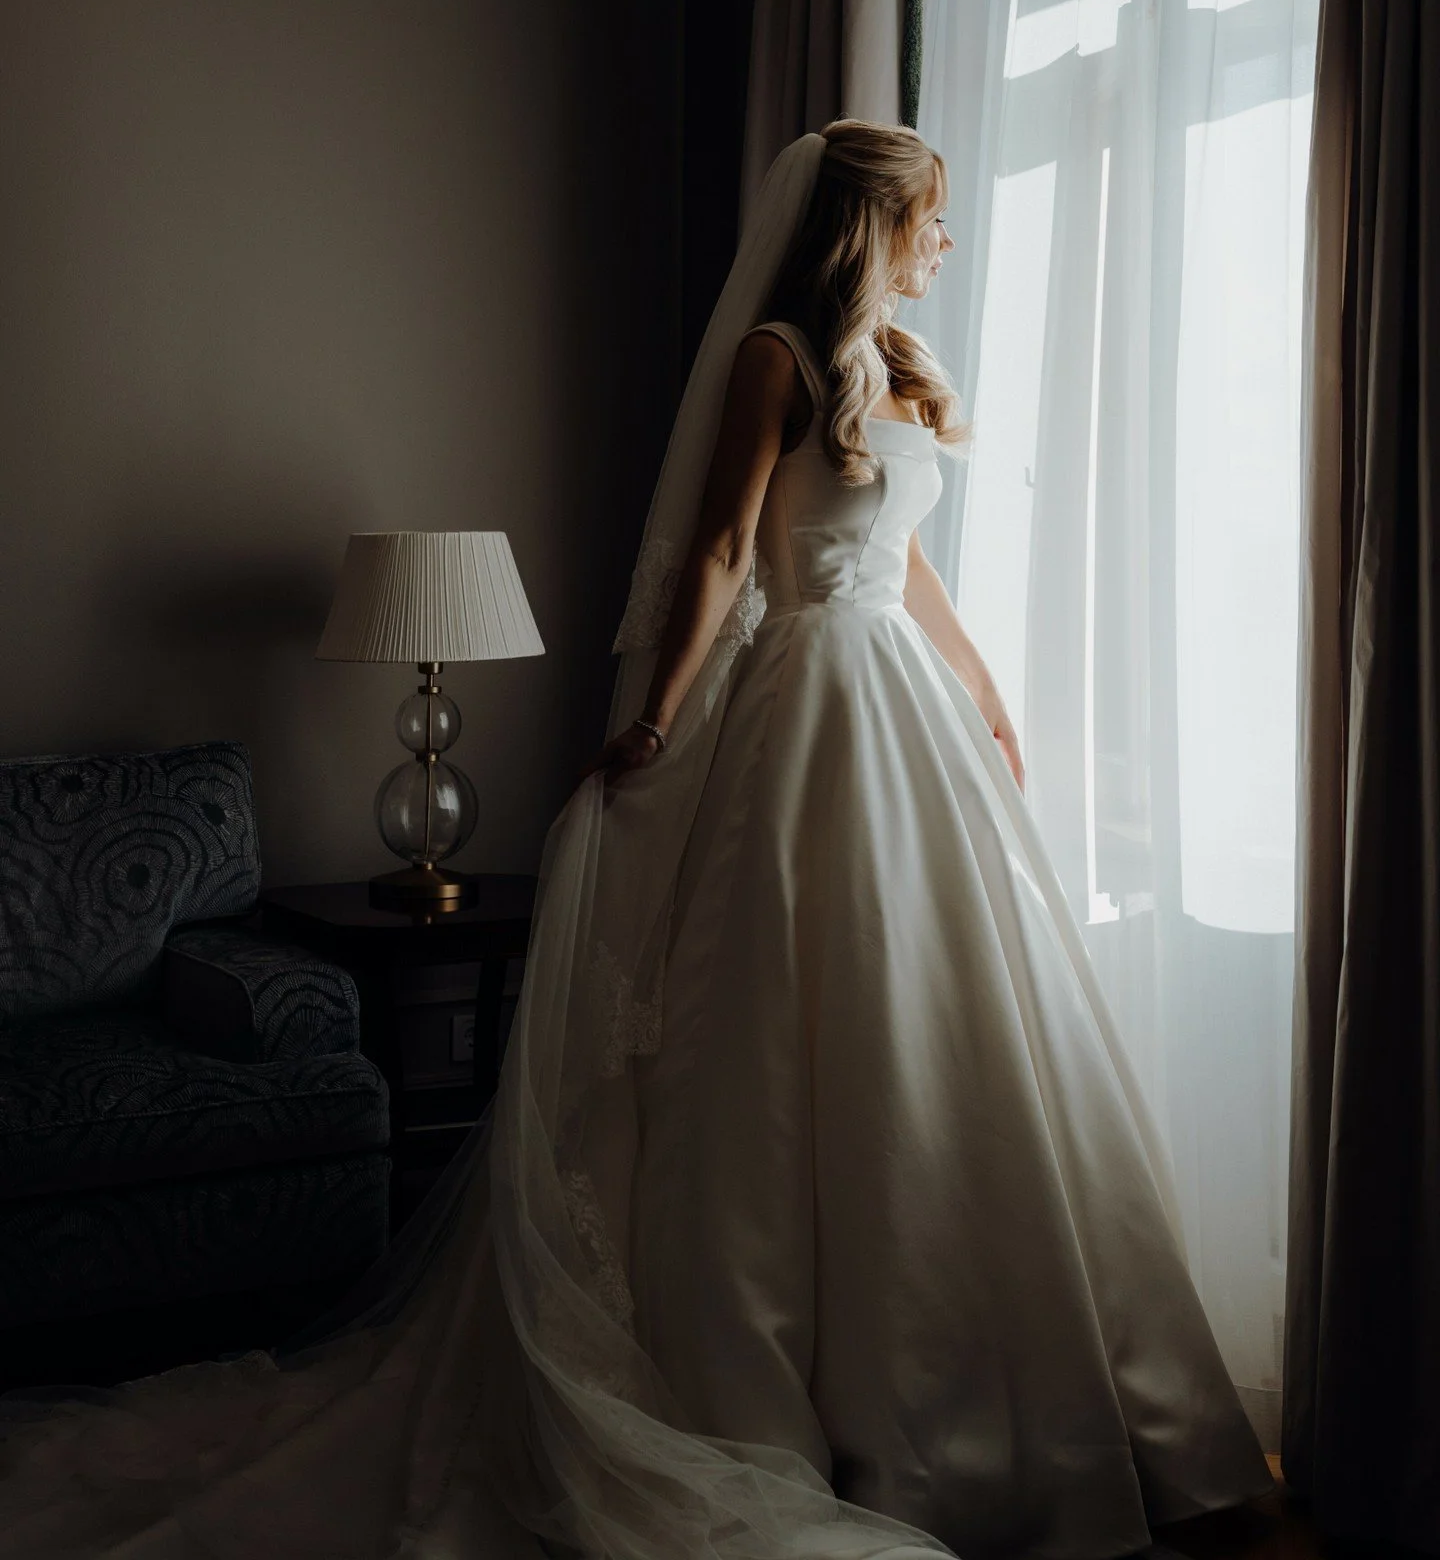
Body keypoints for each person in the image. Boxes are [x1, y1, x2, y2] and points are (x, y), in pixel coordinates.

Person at [0, 122, 1268, 1560]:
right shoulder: (777, 359)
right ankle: (795, 1385)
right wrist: (655, 719)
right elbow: (725, 549)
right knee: (798, 1012)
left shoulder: (897, 365)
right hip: (808, 698)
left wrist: (982, 689)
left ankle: (1010, 1394)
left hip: (898, 698)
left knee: (944, 1009)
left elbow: (905, 557)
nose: (948, 239)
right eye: (933, 216)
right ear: (871, 223)